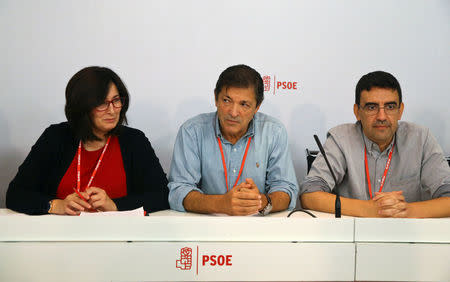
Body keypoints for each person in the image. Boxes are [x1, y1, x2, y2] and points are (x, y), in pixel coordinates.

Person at [6, 66, 169, 215]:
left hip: (119, 237)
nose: (112, 110)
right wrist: (57, 205)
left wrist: (114, 205)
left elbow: (162, 195)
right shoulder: (55, 137)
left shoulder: (134, 141)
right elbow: (16, 195)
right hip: (61, 236)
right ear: (81, 107)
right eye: (102, 103)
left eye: (116, 100)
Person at [300, 71, 450, 218]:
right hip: (351, 236)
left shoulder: (420, 139)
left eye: (390, 107)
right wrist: (368, 209)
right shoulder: (341, 139)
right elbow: (309, 195)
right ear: (357, 111)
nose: (382, 117)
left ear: (400, 110)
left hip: (408, 236)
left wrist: (406, 210)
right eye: (372, 107)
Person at [168, 64, 298, 215]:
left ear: (257, 107)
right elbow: (179, 191)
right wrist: (220, 204)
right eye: (227, 101)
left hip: (258, 226)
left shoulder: (274, 132)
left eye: (244, 104)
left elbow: (286, 190)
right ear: (216, 98)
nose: (233, 112)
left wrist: (260, 202)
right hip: (205, 227)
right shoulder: (192, 131)